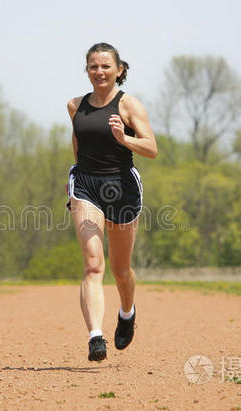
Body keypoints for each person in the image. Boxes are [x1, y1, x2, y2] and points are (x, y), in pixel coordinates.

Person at [66, 42, 157, 361]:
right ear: (86, 70)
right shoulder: (75, 105)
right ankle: (95, 336)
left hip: (121, 186)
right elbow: (78, 143)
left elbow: (151, 148)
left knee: (120, 270)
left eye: (105, 66)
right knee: (93, 264)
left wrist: (123, 138)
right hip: (86, 185)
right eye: (93, 66)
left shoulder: (129, 105)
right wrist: (77, 179)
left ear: (119, 70)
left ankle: (128, 312)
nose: (99, 71)